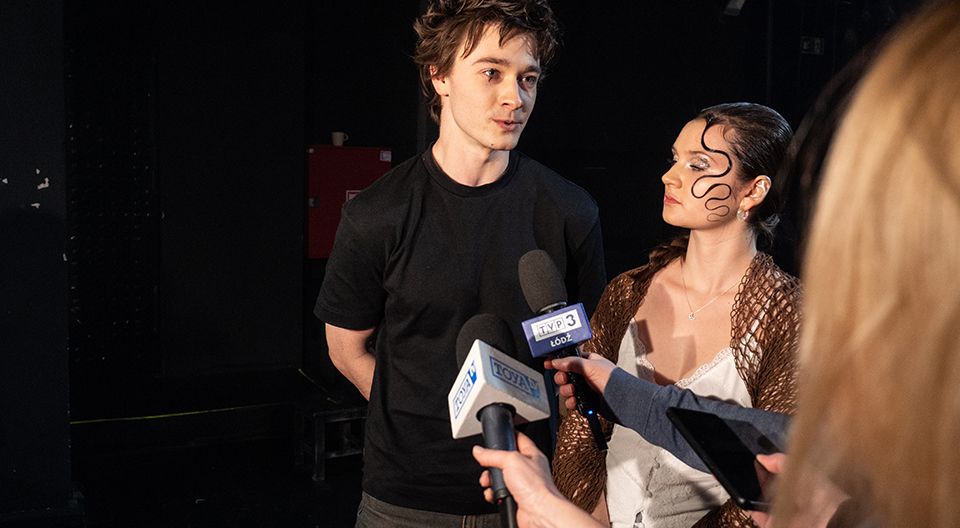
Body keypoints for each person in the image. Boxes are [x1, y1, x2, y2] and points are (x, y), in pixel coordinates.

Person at [313, 0, 607, 525]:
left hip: (530, 493)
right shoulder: (378, 213)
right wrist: (417, 423)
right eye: (492, 72)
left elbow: (586, 346)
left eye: (528, 78)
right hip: (404, 499)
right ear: (440, 76)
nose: (514, 97)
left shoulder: (568, 210)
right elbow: (345, 347)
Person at [551, 102, 801, 528]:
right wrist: (589, 516)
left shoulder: (788, 316)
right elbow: (580, 427)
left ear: (752, 192)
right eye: (674, 159)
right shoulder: (629, 291)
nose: (670, 176)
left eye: (697, 164)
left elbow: (773, 479)